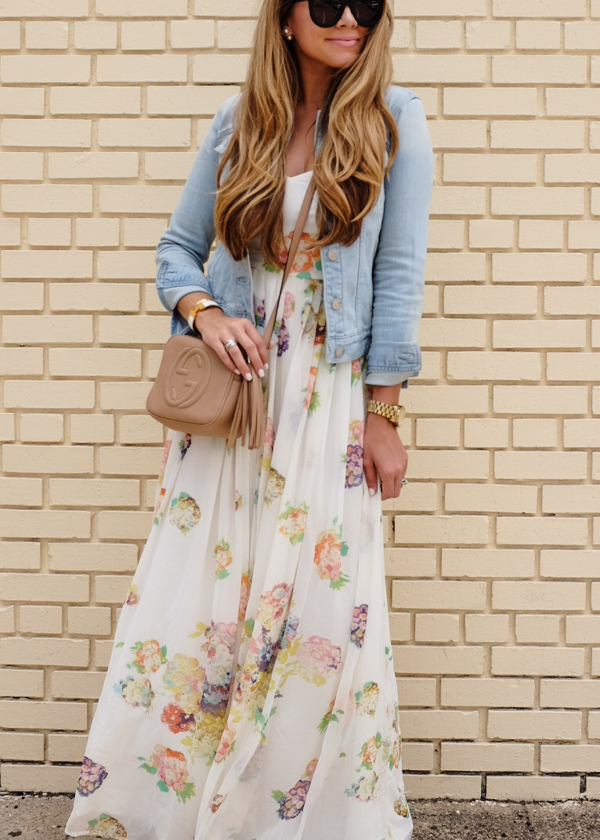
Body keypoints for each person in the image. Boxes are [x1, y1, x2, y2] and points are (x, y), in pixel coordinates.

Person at [65, 1, 433, 838]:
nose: (351, 18)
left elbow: (401, 271)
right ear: (286, 15)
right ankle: (178, 808)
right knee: (205, 599)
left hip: (328, 397)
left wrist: (384, 413)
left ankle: (292, 818)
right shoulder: (240, 122)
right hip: (238, 405)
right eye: (330, 1)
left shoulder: (394, 120)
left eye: (368, 3)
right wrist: (205, 312)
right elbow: (176, 250)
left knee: (318, 612)